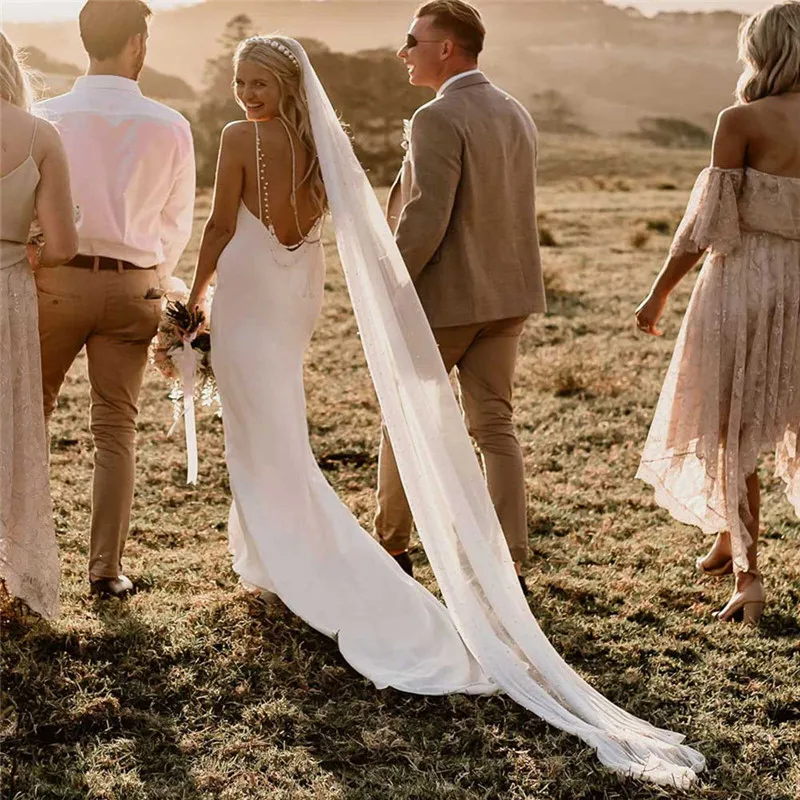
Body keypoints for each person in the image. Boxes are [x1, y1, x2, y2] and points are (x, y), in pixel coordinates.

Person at [187, 34, 704, 786]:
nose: (243, 95)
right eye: (239, 82)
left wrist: (195, 298)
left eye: (256, 82)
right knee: (440, 426)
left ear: (283, 85)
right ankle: (479, 558)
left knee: (300, 430)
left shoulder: (244, 138)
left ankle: (333, 550)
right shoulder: (331, 147)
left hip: (273, 299)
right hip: (326, 293)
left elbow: (224, 224)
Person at [635, 0, 800, 626]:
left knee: (735, 429)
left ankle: (750, 579)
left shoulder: (742, 119)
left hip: (745, 283)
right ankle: (729, 537)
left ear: (764, 52)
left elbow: (707, 224)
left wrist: (660, 291)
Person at [375, 0, 545, 594]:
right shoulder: (515, 111)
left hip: (447, 299)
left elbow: (427, 215)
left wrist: (390, 282)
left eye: (412, 41)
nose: (404, 52)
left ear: (446, 48)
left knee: (405, 418)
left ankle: (392, 545)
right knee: (495, 427)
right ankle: (511, 565)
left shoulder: (436, 116)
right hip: (509, 295)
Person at [36, 0, 196, 598]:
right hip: (136, 284)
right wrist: (155, 278)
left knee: (30, 421)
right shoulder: (170, 124)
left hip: (54, 279)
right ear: (136, 42)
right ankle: (105, 570)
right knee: (115, 428)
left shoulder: (45, 116)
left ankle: (15, 561)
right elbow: (176, 223)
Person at [0, 33, 79, 617]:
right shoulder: (39, 135)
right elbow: (64, 244)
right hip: (8, 291)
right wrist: (28, 254)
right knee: (10, 430)